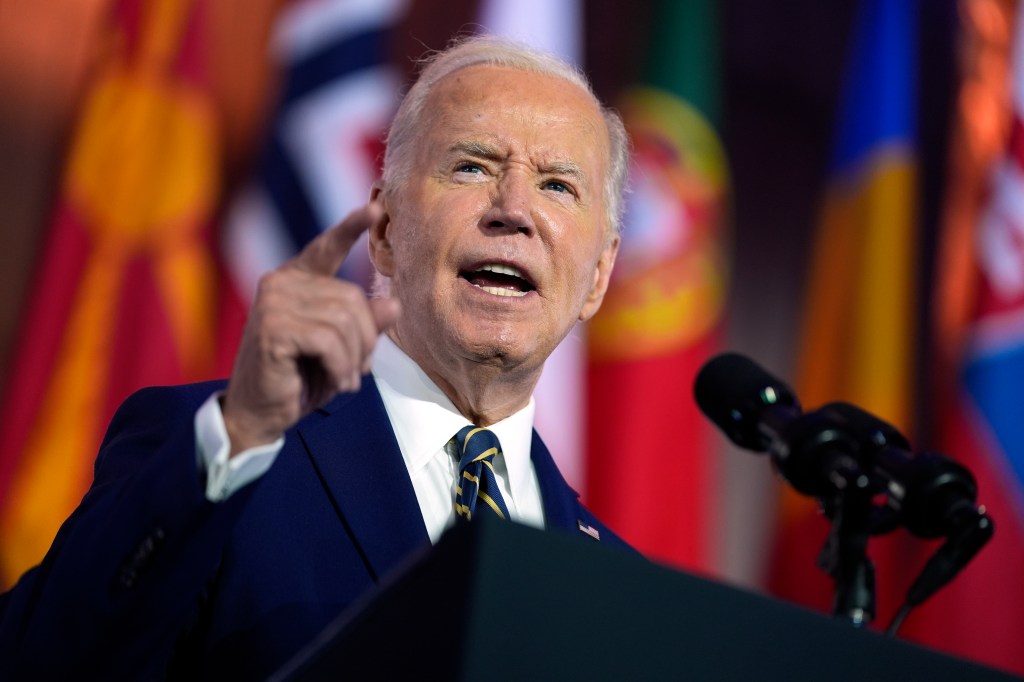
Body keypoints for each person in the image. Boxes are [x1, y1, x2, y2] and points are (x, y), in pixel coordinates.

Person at [0, 35, 634, 679]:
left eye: (558, 185)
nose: (516, 210)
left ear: (598, 277)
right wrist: (239, 436)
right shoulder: (224, 458)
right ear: (384, 233)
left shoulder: (618, 588)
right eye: (473, 166)